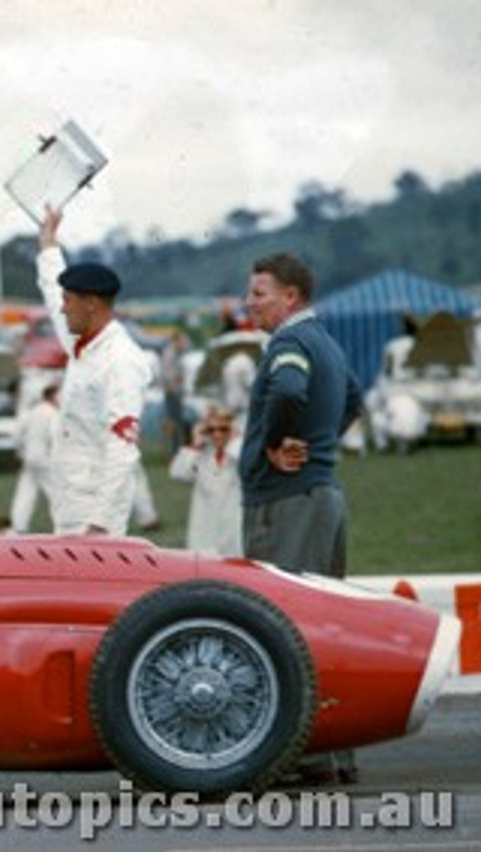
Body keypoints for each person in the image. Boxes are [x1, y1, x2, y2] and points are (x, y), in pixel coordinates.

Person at [240, 252, 362, 786]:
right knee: (324, 628)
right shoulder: (326, 343)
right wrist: (318, 444)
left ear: (290, 297)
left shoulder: (289, 344)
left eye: (259, 293)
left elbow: (288, 391)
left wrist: (275, 444)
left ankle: (301, 757)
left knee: (284, 628)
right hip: (323, 496)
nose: (250, 302)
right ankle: (333, 755)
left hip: (287, 500)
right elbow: (354, 399)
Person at [35, 208, 153, 536]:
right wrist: (48, 245)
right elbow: (50, 291)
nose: (62, 307)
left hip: (95, 512)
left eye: (68, 300)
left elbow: (123, 446)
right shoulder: (83, 343)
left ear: (91, 303)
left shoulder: (120, 361)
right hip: (71, 498)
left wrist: (100, 524)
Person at [168, 406, 243, 556]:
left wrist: (235, 441)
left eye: (223, 429)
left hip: (235, 533)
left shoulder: (240, 452)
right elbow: (177, 473)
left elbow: (247, 467)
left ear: (233, 429)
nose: (217, 434)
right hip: (204, 531)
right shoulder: (201, 455)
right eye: (211, 430)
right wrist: (195, 444)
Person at [9, 382, 60, 533]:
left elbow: (18, 435)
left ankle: (18, 525)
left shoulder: (33, 411)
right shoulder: (52, 413)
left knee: (25, 492)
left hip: (29, 457)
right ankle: (64, 525)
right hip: (45, 458)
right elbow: (55, 436)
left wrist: (20, 452)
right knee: (56, 493)